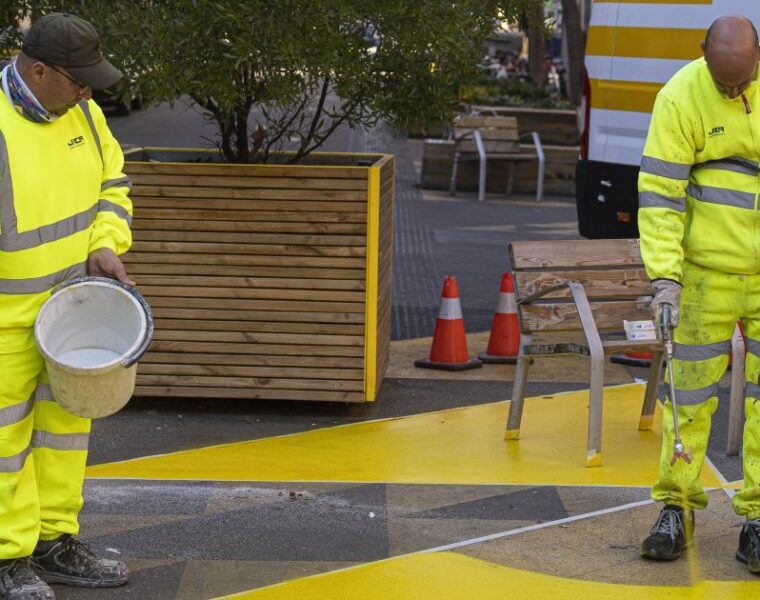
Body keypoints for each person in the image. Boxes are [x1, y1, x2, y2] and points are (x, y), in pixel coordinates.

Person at [0, 13, 134, 599]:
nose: (88, 91)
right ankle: (6, 557)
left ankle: (53, 541)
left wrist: (105, 244)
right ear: (37, 71)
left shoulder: (81, 112)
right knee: (3, 443)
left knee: (63, 428)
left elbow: (113, 183)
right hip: (3, 324)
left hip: (68, 313)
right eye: (78, 81)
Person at [637, 15, 760, 574]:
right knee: (686, 400)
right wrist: (666, 278)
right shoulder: (680, 96)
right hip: (704, 275)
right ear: (702, 53)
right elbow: (661, 194)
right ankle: (675, 508)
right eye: (723, 82)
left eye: (743, 82)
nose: (733, 92)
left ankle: (756, 520)